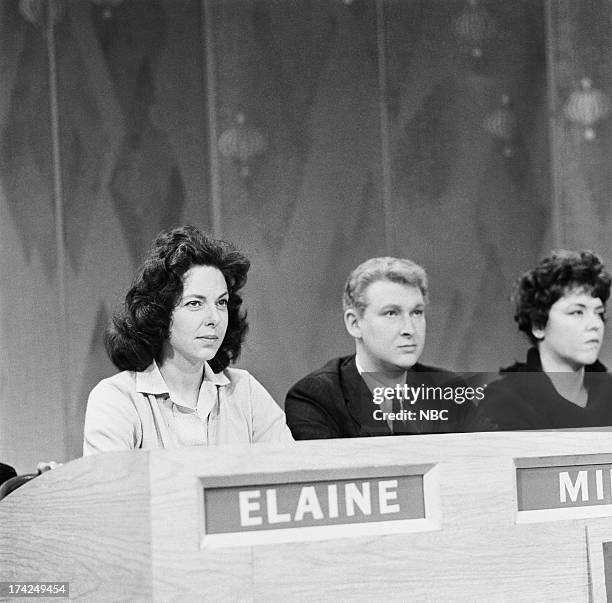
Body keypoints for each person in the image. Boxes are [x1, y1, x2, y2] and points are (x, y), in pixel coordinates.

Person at [84, 225, 293, 454]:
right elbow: (111, 487)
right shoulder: (117, 398)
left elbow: (291, 475)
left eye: (221, 302)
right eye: (195, 303)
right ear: (159, 312)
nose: (214, 318)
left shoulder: (245, 392)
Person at [285, 257, 488, 439]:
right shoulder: (316, 398)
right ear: (355, 323)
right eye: (391, 313)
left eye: (417, 313)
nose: (409, 329)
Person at [479, 250, 612, 430]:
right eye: (577, 312)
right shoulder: (504, 404)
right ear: (539, 325)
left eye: (599, 313)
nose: (595, 324)